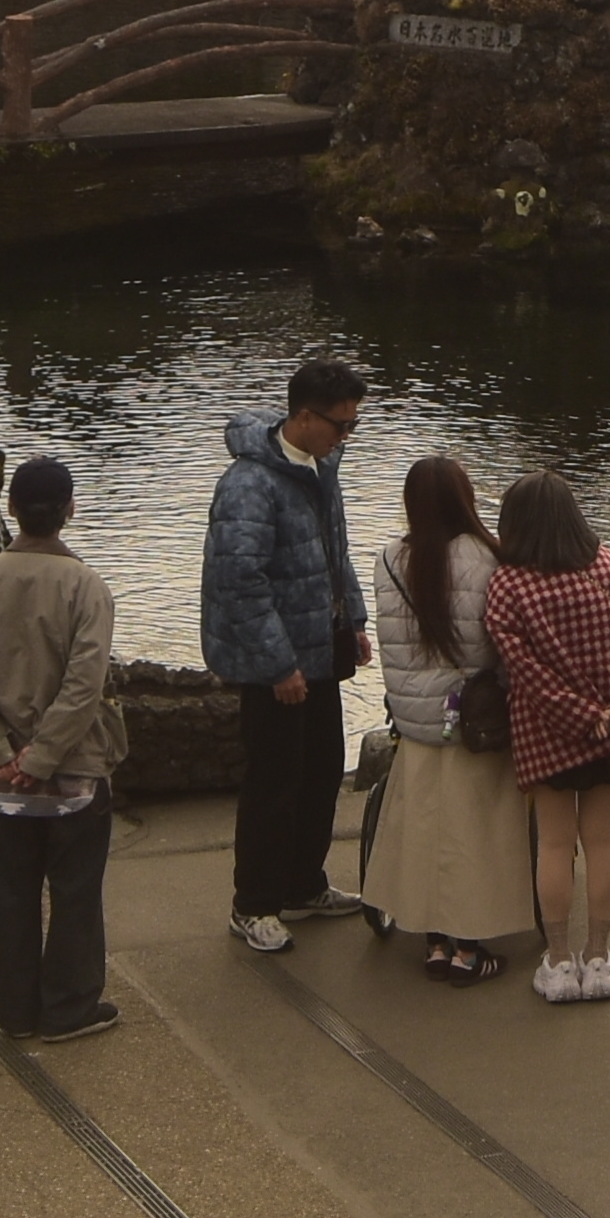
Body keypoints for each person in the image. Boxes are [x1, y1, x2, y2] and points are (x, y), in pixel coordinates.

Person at [0, 452, 128, 1041]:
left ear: (13, 509)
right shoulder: (86, 587)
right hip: (73, 772)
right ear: (70, 510)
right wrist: (43, 756)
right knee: (74, 893)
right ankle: (69, 1005)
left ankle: (17, 1010)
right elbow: (84, 683)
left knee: (10, 892)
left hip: (0, 781)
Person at [205, 355, 376, 956]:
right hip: (272, 658)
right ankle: (253, 904)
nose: (346, 437)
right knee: (273, 781)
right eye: (341, 425)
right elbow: (240, 581)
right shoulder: (249, 485)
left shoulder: (321, 466)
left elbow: (336, 548)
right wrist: (278, 664)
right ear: (304, 417)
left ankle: (304, 884)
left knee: (324, 766)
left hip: (321, 641)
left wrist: (352, 618)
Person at [486, 468, 610, 1001]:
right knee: (603, 839)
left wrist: (582, 714)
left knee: (556, 844)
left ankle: (560, 963)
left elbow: (525, 671)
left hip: (551, 735)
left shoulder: (508, 586)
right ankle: (600, 959)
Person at [361, 451, 533, 981]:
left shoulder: (389, 560)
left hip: (415, 722)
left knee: (424, 829)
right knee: (473, 833)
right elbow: (499, 644)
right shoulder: (490, 557)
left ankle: (434, 940)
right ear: (466, 498)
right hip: (473, 722)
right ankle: (468, 948)